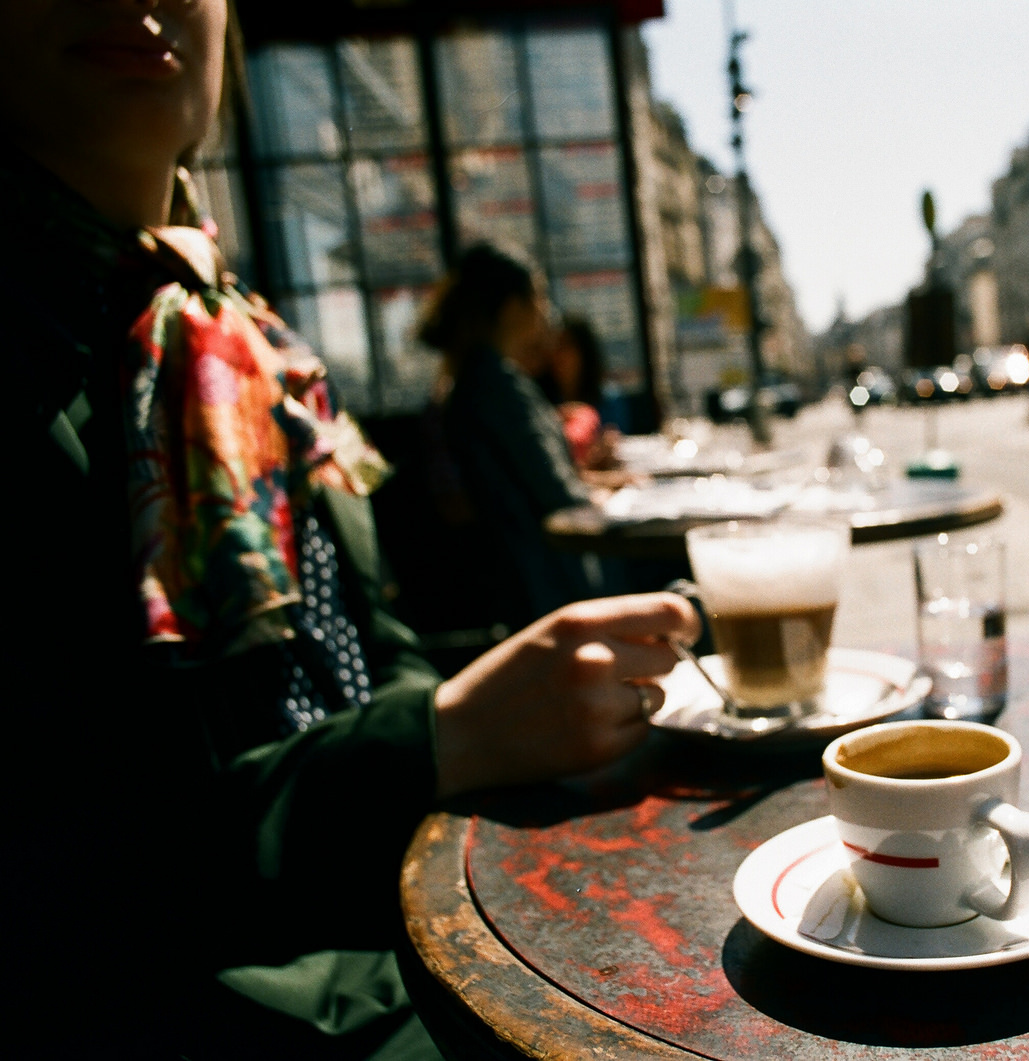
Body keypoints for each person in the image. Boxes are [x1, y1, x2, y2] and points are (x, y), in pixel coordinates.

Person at [0, 2, 696, 1057]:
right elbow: (78, 879)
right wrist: (442, 733)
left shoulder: (234, 331)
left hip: (394, 914)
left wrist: (474, 715)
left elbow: (367, 653)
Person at [420, 244, 629, 625]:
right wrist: (621, 495)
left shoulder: (472, 380)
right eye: (541, 295)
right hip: (557, 581)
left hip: (526, 582)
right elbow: (558, 495)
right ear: (514, 307)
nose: (547, 310)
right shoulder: (499, 386)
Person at [536, 315, 623, 473]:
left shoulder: (609, 398)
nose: (558, 354)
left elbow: (615, 441)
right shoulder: (540, 399)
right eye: (554, 346)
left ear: (584, 351)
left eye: (566, 345)